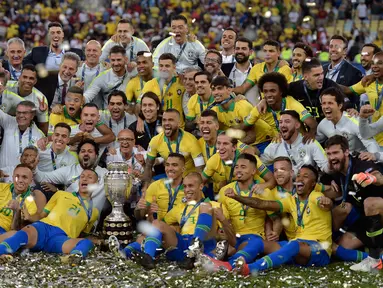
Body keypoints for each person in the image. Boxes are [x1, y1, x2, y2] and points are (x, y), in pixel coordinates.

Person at [223, 165, 333, 275]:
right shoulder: (291, 200)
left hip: (319, 250)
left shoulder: (315, 195)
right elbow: (262, 204)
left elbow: (323, 202)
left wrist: (326, 202)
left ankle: (250, 268)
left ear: (313, 183)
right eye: (298, 175)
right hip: (297, 249)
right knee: (258, 242)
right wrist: (236, 197)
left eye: (305, 176)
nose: (299, 179)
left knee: (293, 245)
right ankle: (229, 265)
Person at [0, 169, 99, 265]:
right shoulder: (61, 194)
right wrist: (29, 217)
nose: (84, 179)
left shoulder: (94, 212)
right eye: (82, 176)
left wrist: (98, 240)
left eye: (89, 177)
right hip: (44, 228)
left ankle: (73, 258)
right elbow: (42, 215)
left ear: (97, 184)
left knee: (86, 242)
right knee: (24, 233)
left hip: (60, 238)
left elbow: (84, 234)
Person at [132, 172, 228, 270]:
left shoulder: (215, 205)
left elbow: (227, 234)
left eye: (191, 186)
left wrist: (223, 221)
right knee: (157, 223)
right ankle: (148, 258)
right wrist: (150, 216)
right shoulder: (179, 208)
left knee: (205, 206)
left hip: (205, 245)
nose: (187, 190)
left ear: (201, 186)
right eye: (185, 186)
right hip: (183, 245)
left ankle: (195, 248)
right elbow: (160, 227)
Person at [323, 135, 383, 272]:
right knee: (344, 245)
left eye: (335, 152)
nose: (332, 157)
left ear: (346, 152)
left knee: (371, 203)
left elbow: (379, 177)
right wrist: (327, 184)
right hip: (368, 220)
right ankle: (327, 241)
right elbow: (325, 178)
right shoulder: (336, 169)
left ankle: (374, 260)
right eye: (329, 154)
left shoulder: (361, 165)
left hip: (379, 209)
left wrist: (371, 178)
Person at [214, 153, 274, 270]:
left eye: (243, 167)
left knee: (246, 246)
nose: (238, 170)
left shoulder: (264, 191)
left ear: (253, 171)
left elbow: (273, 218)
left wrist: (273, 232)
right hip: (232, 235)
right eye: (236, 167)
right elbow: (223, 217)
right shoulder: (224, 190)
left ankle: (229, 263)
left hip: (254, 237)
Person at [33, 139, 108, 215]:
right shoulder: (69, 170)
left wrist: (58, 191)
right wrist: (33, 167)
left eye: (90, 151)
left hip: (92, 219)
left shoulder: (105, 174)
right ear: (78, 155)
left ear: (96, 156)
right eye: (82, 151)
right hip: (69, 214)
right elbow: (42, 178)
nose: (86, 154)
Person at [243, 72, 317, 144]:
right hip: (277, 143)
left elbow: (313, 125)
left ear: (281, 91)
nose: (268, 95)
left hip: (297, 142)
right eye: (265, 91)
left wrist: (308, 138)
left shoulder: (292, 104)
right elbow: (244, 126)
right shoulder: (260, 107)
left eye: (273, 91)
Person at [209, 76, 274, 153]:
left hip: (264, 141)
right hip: (244, 143)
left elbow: (251, 137)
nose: (216, 92)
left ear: (229, 90)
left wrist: (230, 145)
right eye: (213, 89)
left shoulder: (242, 106)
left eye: (219, 88)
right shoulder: (215, 111)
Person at [143, 109, 204, 186]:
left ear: (179, 123)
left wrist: (193, 186)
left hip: (188, 180)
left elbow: (200, 170)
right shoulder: (155, 141)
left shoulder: (191, 141)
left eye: (170, 120)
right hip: (169, 179)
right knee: (149, 186)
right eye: (164, 120)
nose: (166, 123)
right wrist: (146, 187)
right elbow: (148, 166)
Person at [202, 132, 275, 194]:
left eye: (225, 144)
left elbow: (272, 180)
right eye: (218, 143)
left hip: (256, 193)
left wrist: (262, 186)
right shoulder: (213, 161)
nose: (220, 147)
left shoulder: (248, 158)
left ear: (234, 147)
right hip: (235, 194)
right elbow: (200, 182)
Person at [261, 110, 329, 174]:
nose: (282, 125)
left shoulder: (310, 142)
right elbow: (260, 162)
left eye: (287, 121)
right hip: (285, 185)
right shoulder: (276, 143)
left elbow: (325, 166)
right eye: (280, 122)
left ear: (297, 125)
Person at [317, 87, 380, 153]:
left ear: (340, 106)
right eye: (323, 103)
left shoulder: (355, 122)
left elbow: (371, 144)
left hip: (358, 161)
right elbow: (316, 142)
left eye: (330, 103)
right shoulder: (322, 125)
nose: (326, 107)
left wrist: (373, 157)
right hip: (337, 161)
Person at [342, 52, 383, 147]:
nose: (375, 66)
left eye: (380, 63)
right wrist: (325, 81)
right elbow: (347, 90)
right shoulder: (368, 83)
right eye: (373, 63)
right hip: (375, 137)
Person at [0, 164, 46, 241]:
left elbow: (16, 229)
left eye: (24, 177)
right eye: (17, 176)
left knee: (14, 235)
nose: (20, 180)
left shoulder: (31, 205)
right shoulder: (2, 187)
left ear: (31, 181)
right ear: (12, 177)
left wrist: (17, 211)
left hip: (3, 232)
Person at [141, 53, 186, 128]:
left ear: (174, 67)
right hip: (158, 128)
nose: (163, 69)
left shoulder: (181, 83)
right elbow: (141, 104)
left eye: (167, 66)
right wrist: (140, 119)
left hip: (178, 128)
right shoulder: (150, 84)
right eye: (161, 66)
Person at [84, 46, 131, 110]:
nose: (116, 63)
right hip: (109, 116)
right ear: (109, 59)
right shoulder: (102, 77)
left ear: (125, 59)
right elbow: (88, 95)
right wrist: (80, 100)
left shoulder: (132, 72)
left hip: (128, 115)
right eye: (113, 60)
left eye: (119, 60)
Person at [6, 64, 49, 134]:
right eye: (25, 77)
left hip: (25, 131)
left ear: (35, 81)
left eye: (31, 78)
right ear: (19, 78)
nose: (27, 80)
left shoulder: (40, 99)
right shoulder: (7, 86)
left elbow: (43, 125)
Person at [0, 101, 44, 167]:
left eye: (25, 113)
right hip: (3, 175)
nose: (21, 115)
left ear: (32, 115)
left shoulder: (39, 136)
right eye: (18, 112)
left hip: (23, 175)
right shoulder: (8, 122)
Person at [222, 37, 258, 106]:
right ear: (234, 51)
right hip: (231, 114)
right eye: (237, 48)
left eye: (244, 49)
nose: (240, 51)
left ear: (250, 52)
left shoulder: (258, 69)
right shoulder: (224, 68)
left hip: (253, 114)